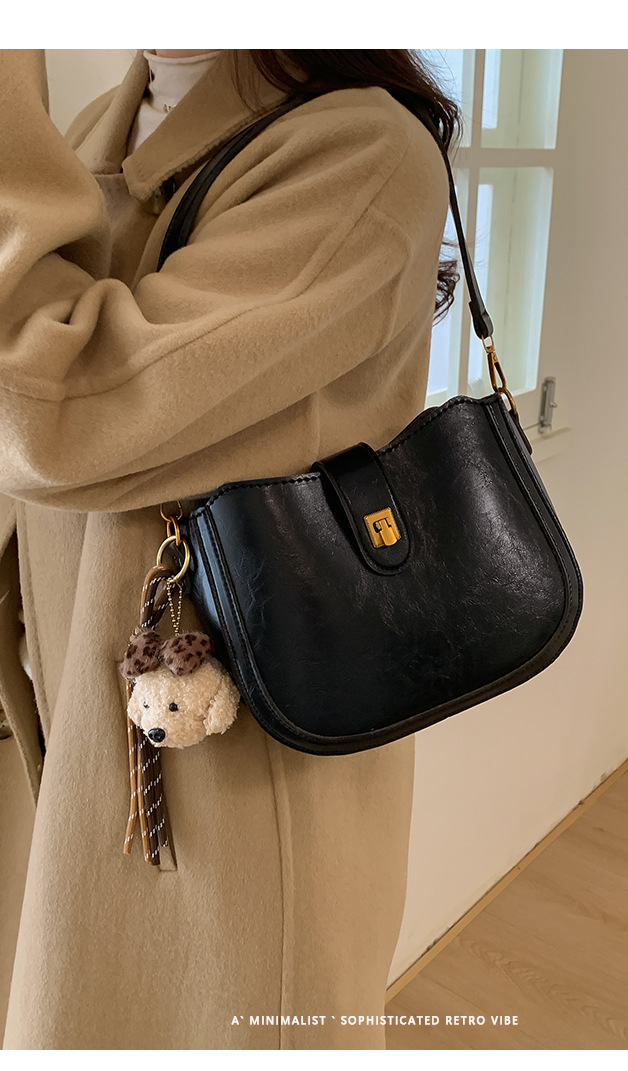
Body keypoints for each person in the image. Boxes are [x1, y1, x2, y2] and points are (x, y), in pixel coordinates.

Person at [0, 48, 458, 1049]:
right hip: (90, 745)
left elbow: (46, 415)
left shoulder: (361, 151)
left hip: (242, 792)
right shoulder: (91, 128)